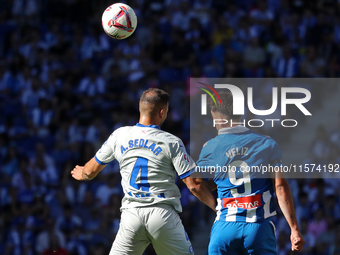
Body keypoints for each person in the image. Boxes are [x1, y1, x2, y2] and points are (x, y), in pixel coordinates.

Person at [71, 88, 216, 255]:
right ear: (162, 112)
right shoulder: (171, 142)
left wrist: (81, 172)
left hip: (131, 216)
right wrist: (217, 208)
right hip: (162, 214)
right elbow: (194, 185)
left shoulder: (119, 135)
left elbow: (89, 172)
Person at [196, 91, 305, 255]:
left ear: (215, 115)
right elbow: (280, 187)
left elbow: (196, 185)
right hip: (258, 228)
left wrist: (217, 204)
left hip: (224, 228)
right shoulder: (268, 144)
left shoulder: (210, 147)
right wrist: (294, 229)